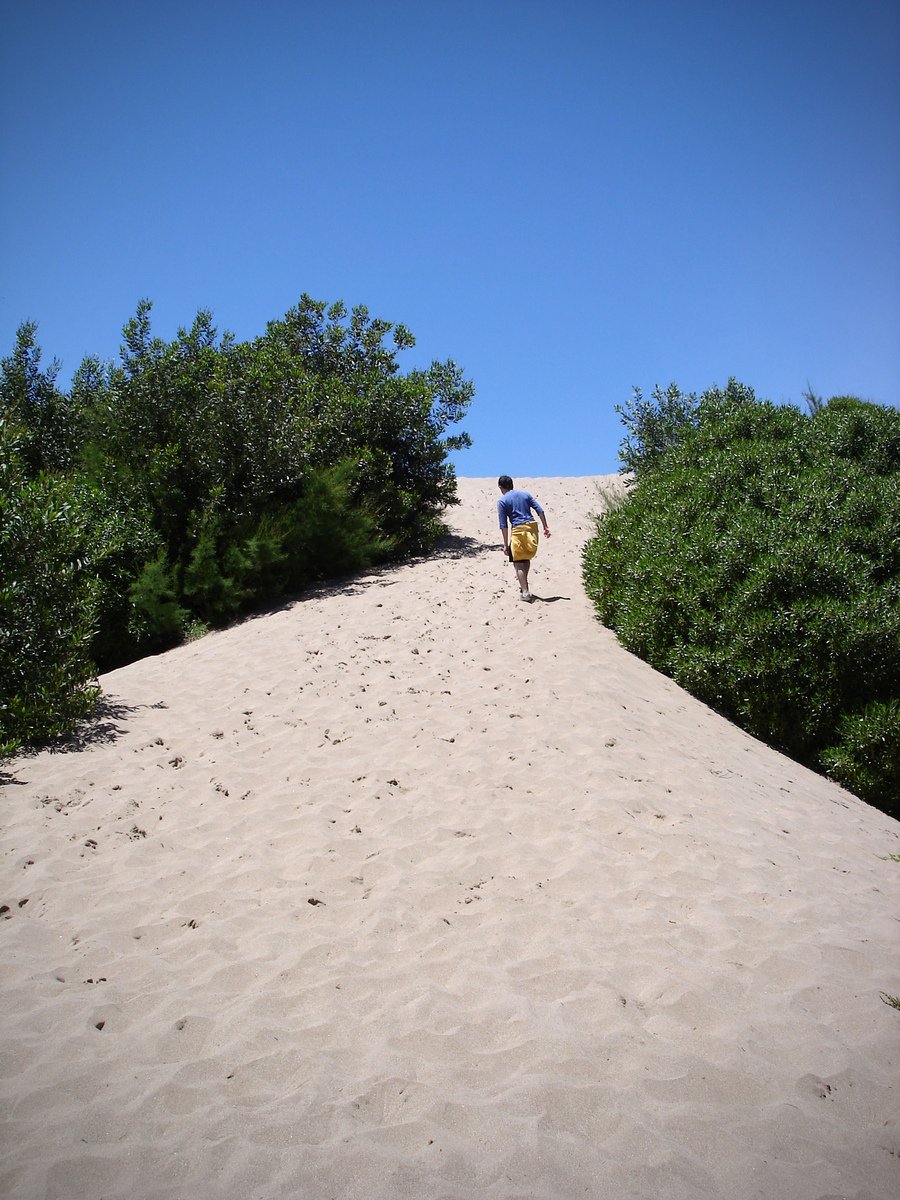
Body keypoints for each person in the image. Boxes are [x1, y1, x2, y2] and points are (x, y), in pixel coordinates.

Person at [497, 475, 550, 602]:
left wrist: (505, 544)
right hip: (532, 528)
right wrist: (545, 526)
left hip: (518, 530)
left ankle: (525, 592)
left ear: (500, 487)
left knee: (518, 563)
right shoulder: (526, 495)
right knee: (525, 558)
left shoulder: (502, 501)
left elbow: (503, 525)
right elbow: (540, 510)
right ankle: (524, 586)